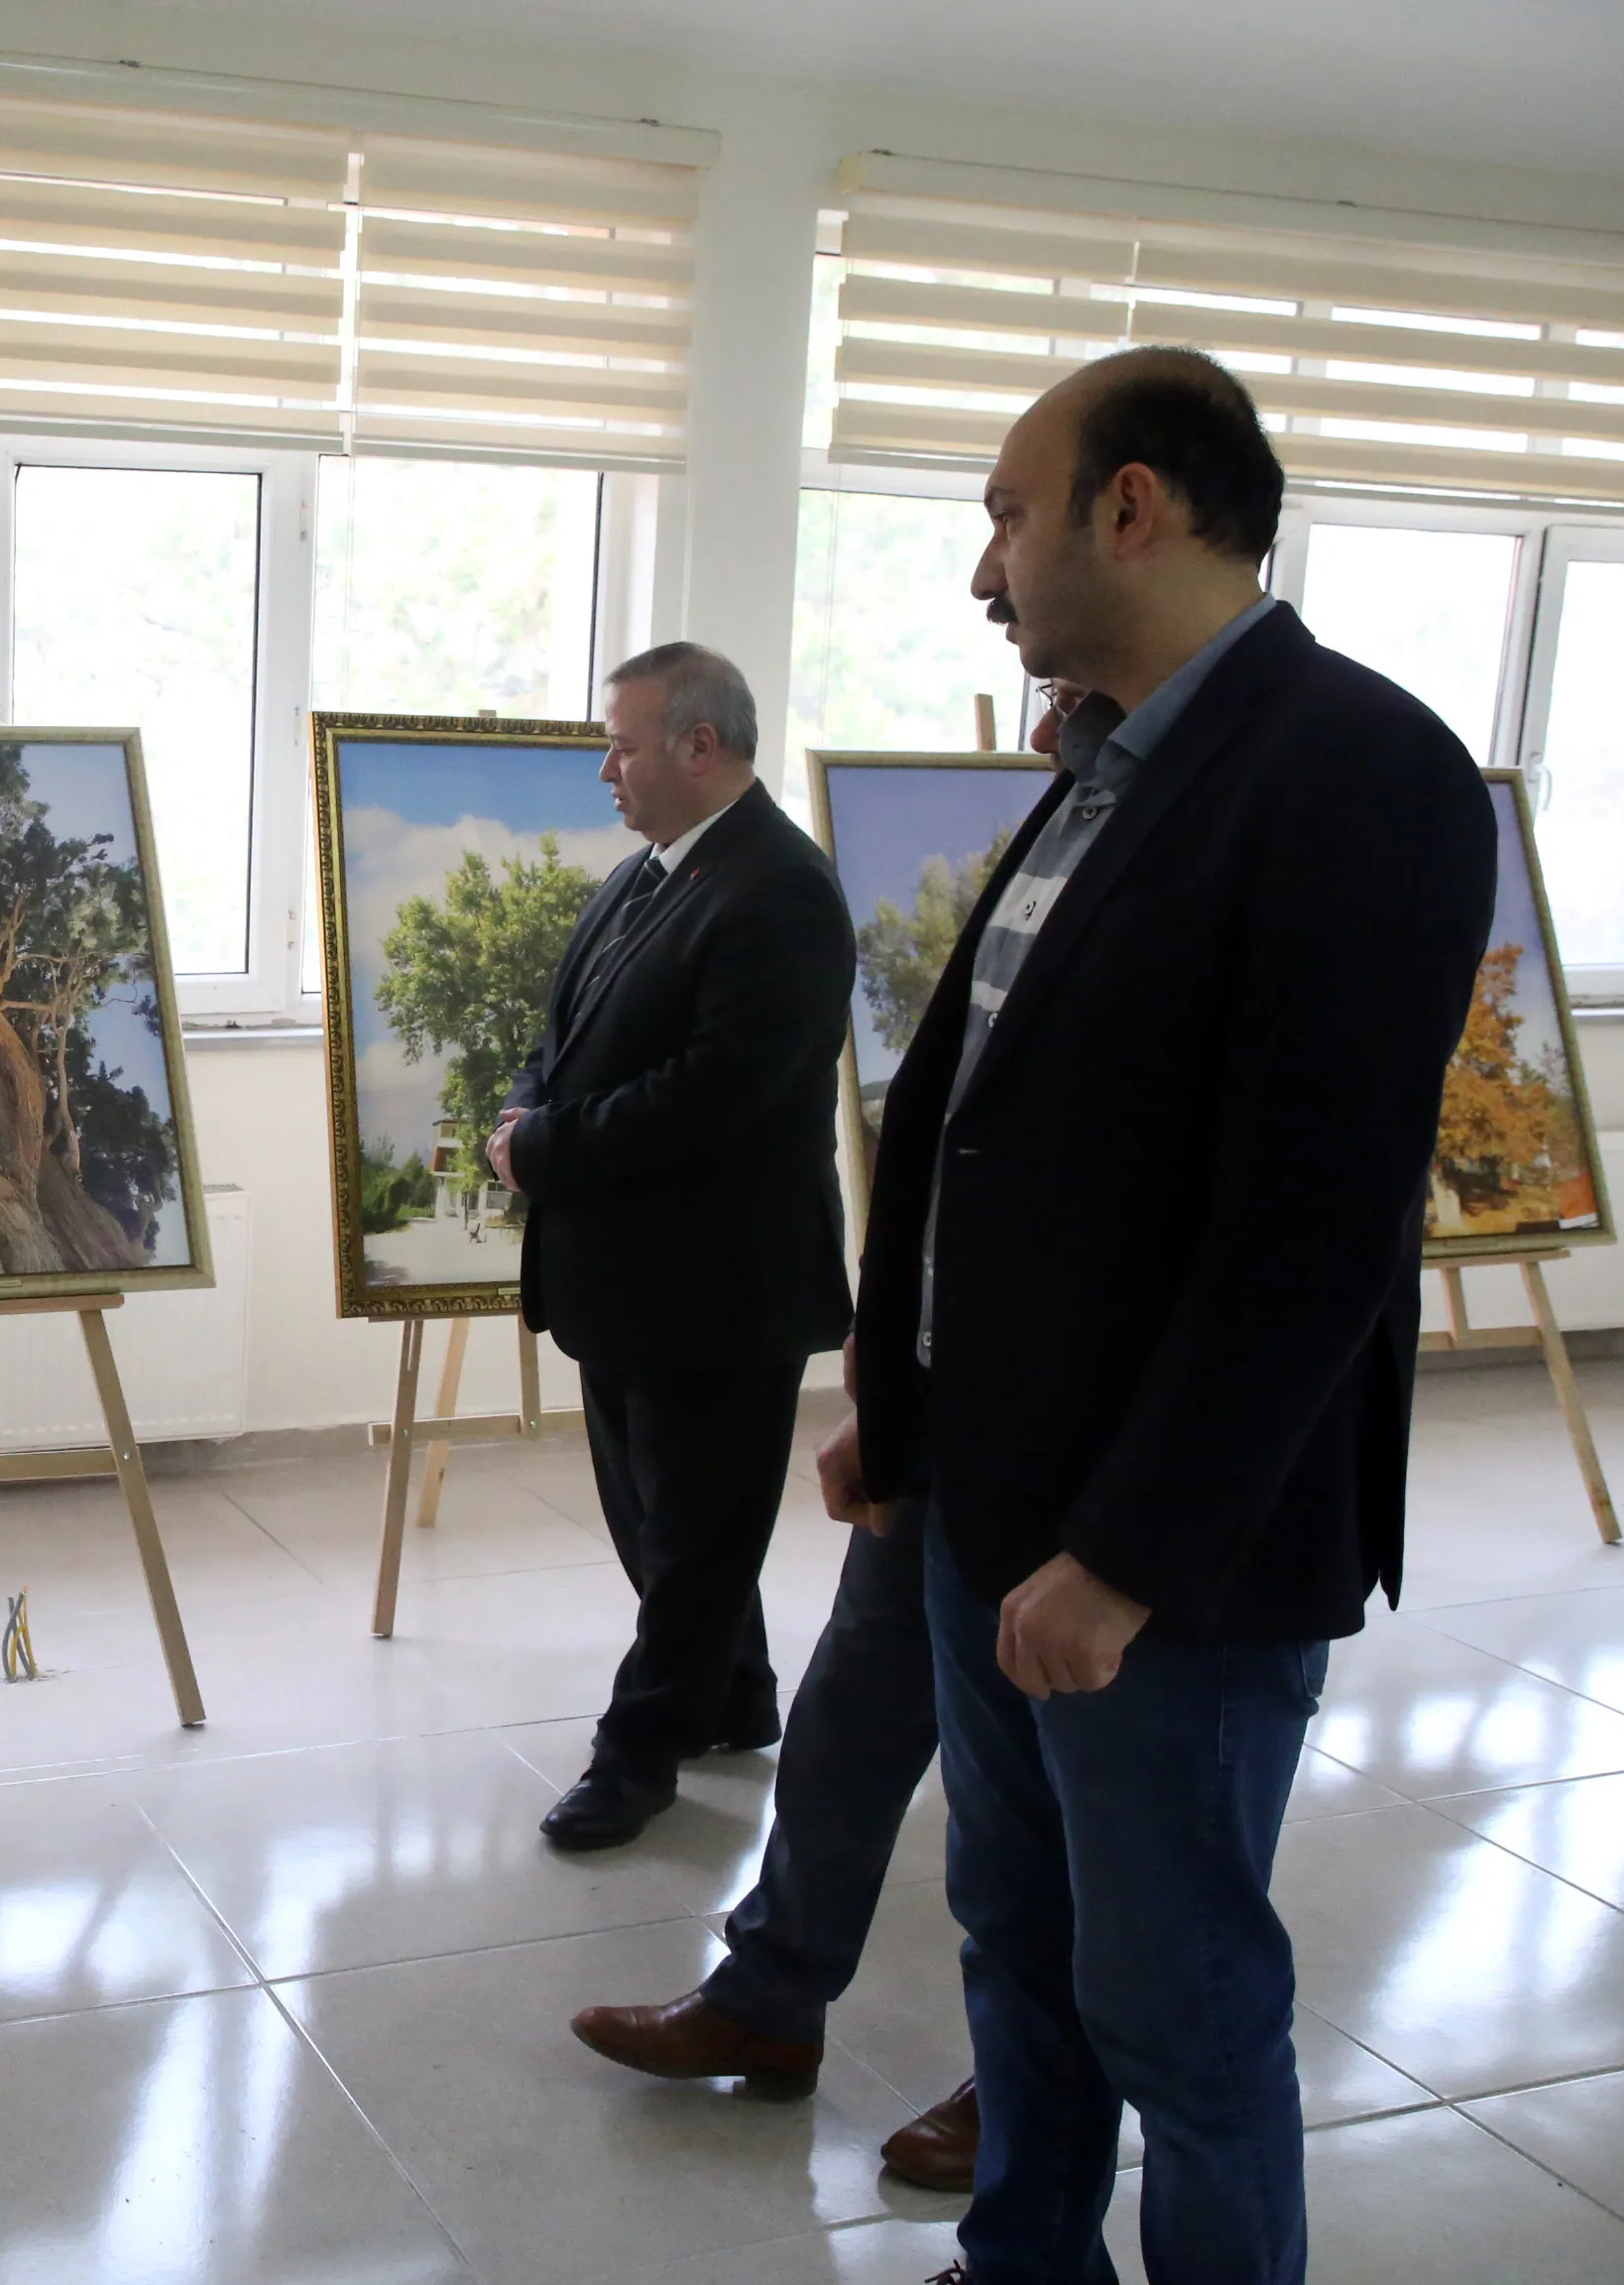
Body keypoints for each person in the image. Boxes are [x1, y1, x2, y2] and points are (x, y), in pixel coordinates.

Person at [838, 346, 1494, 2285]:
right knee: (1014, 1944)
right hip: (993, 1500)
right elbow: (993, 1134)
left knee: (1182, 2003)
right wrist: (909, 1402)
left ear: (1137, 507)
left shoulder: (1358, 773)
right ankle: (1027, 2257)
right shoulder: (1105, 771)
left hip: (1162, 1563)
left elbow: (1312, 1234)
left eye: (1007, 513)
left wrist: (1120, 1559)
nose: (985, 572)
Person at [564, 682, 1088, 2193]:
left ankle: (1040, 2087)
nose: (1036, 718)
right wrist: (887, 1384)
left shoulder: (1272, 813)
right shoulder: (1058, 836)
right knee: (849, 1743)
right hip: (947, 1405)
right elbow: (945, 1137)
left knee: (1035, 1806)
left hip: (1069, 1439)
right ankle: (766, 2002)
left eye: (1014, 527)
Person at [487, 642, 856, 1852]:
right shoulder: (647, 876)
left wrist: (542, 1149)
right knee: (659, 1526)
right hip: (624, 1284)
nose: (607, 768)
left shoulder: (780, 891)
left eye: (625, 744)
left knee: (694, 1540)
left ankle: (634, 1758)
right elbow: (573, 1029)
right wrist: (526, 1109)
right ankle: (736, 1697)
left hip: (718, 1293)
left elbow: (716, 1094)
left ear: (700, 747)